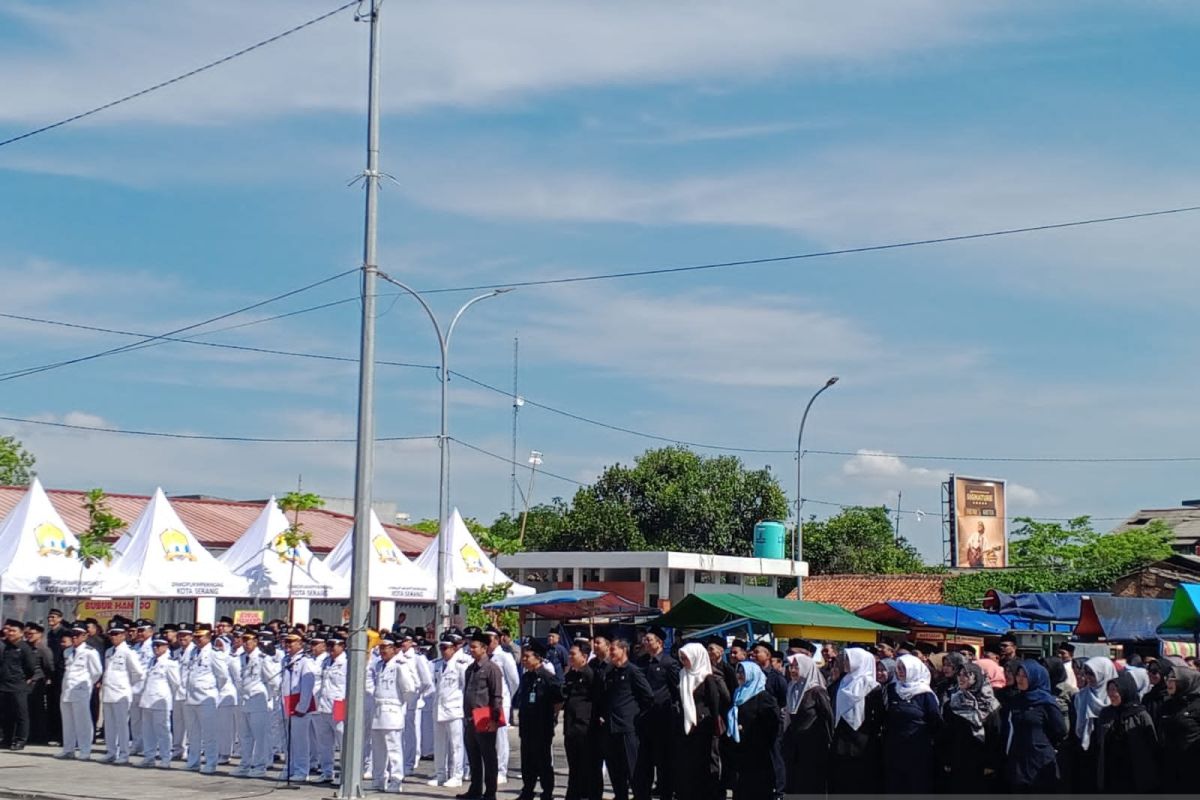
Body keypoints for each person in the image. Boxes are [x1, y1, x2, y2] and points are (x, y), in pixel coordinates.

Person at [674, 642, 729, 800]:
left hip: (704, 727)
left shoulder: (707, 677)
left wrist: (711, 725)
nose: (684, 662)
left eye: (687, 658)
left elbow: (715, 703)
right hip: (686, 727)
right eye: (682, 658)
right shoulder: (683, 675)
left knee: (704, 764)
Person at [1003, 659, 1067, 793]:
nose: (1020, 679)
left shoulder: (1046, 703)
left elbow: (1060, 730)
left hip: (1039, 760)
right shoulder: (1016, 700)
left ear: (1035, 677)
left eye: (1025, 676)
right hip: (1018, 760)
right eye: (1018, 675)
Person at [882, 653, 941, 792]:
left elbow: (935, 721)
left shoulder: (925, 693)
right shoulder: (892, 690)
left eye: (904, 668)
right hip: (894, 748)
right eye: (898, 668)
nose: (900, 672)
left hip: (918, 749)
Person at [603, 639, 653, 800]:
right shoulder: (610, 672)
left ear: (623, 650)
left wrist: (636, 717)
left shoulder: (633, 671)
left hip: (628, 728)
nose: (610, 653)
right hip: (611, 728)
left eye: (613, 650)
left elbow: (648, 697)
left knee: (633, 771)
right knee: (616, 771)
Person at [828, 648, 884, 794]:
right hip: (840, 738)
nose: (845, 663)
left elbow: (878, 716)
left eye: (848, 659)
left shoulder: (872, 686)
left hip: (863, 741)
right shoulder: (841, 682)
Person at [1092, 670, 1158, 792]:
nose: (1111, 694)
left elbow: (1152, 743)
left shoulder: (1140, 715)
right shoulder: (1106, 713)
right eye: (1109, 690)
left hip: (1135, 771)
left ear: (1124, 691)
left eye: (1115, 690)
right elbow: (1099, 740)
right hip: (1111, 771)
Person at [939, 662, 1001, 793]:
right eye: (959, 675)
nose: (961, 678)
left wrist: (991, 763)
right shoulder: (953, 702)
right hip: (958, 758)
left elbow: (994, 735)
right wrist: (947, 759)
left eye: (966, 675)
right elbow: (946, 733)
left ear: (976, 677)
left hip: (980, 760)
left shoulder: (990, 704)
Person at [633, 625, 680, 800]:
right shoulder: (641, 662)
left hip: (663, 718)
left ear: (659, 642)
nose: (645, 642)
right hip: (644, 718)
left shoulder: (669, 663)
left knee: (663, 760)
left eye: (649, 639)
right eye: (644, 639)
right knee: (644, 759)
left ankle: (666, 791)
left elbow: (676, 690)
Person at [367, 632, 416, 793]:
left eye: (386, 647)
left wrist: (400, 706)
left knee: (394, 750)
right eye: (381, 647)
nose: (382, 650)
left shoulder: (400, 664)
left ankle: (396, 780)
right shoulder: (378, 665)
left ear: (395, 649)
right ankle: (378, 779)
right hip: (378, 711)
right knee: (378, 749)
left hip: (392, 710)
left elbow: (408, 689)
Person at [514, 640, 562, 800]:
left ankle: (547, 792)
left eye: (527, 657)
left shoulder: (548, 677)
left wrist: (552, 718)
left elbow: (559, 699)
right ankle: (528, 789)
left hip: (541, 726)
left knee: (543, 760)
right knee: (527, 760)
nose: (524, 660)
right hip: (527, 725)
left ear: (538, 658)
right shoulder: (527, 677)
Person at [725, 661, 780, 800]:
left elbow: (772, 724)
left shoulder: (763, 697)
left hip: (757, 752)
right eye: (738, 672)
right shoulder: (738, 693)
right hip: (741, 751)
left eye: (743, 672)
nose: (740, 675)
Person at [781, 653, 832, 794]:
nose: (792, 670)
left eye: (796, 667)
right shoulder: (792, 688)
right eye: (791, 666)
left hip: (812, 747)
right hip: (794, 745)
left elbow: (827, 717)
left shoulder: (816, 692)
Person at [231, 629, 279, 778]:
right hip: (244, 701)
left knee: (260, 737)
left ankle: (260, 765)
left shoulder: (263, 658)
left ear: (256, 641)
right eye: (243, 640)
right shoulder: (241, 658)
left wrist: (269, 698)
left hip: (258, 701)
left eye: (248, 640)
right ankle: (245, 764)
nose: (245, 643)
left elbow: (274, 681)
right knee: (244, 736)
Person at [463, 630, 504, 800]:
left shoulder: (491, 668)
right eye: (470, 647)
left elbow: (496, 696)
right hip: (471, 718)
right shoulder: (470, 669)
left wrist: (494, 719)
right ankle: (475, 789)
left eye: (474, 647)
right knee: (473, 755)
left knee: (489, 757)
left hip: (485, 717)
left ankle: (490, 791)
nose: (471, 650)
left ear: (484, 648)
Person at [427, 632, 469, 789]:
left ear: (454, 648)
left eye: (446, 648)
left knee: (456, 744)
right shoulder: (437, 664)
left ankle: (456, 775)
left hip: (454, 709)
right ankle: (440, 774)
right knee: (439, 744)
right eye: (441, 647)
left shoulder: (461, 664)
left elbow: (465, 688)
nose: (443, 651)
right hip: (438, 709)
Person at [100, 623, 146, 764]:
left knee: (122, 725)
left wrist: (127, 685)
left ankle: (124, 754)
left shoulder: (128, 652)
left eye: (116, 634)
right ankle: (111, 752)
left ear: (123, 635)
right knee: (109, 725)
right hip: (108, 692)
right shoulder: (108, 651)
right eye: (111, 634)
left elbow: (138, 673)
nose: (113, 637)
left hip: (121, 693)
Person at [563, 640, 603, 800]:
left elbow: (598, 700)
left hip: (586, 729)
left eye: (573, 654)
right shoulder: (571, 675)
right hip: (571, 728)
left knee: (590, 767)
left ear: (584, 656)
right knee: (575, 767)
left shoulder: (591, 675)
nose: (570, 657)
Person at [1072, 656, 1117, 793]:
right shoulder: (1081, 696)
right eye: (1086, 673)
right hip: (1086, 753)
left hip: (1109, 754)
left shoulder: (1115, 698)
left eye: (1092, 673)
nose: (1088, 677)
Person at [57, 623, 101, 760]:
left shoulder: (90, 652)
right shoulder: (68, 651)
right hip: (67, 689)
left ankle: (85, 749)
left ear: (84, 636)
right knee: (68, 721)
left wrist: (87, 685)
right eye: (72, 635)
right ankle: (68, 749)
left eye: (77, 635)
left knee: (83, 721)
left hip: (81, 690)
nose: (74, 638)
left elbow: (97, 672)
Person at [138, 635, 180, 768]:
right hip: (147, 700)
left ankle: (165, 757)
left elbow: (176, 683)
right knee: (148, 731)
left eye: (159, 645)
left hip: (161, 701)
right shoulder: (151, 661)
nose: (155, 648)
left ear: (166, 646)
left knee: (163, 731)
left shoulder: (170, 662)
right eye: (154, 645)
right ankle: (149, 756)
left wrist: (167, 698)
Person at [1156, 665, 1200, 792]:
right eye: (1167, 679)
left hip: (1193, 766)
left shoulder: (1197, 705)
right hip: (1169, 764)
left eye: (1173, 679)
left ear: (1185, 681)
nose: (1168, 683)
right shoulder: (1167, 705)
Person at [485, 625, 520, 786]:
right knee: (487, 738)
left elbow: (514, 681)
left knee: (500, 738)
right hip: (486, 703)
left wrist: (507, 699)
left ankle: (501, 771)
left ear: (497, 640)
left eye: (489, 640)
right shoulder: (485, 657)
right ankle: (490, 769)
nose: (486, 643)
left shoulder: (505, 656)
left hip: (501, 702)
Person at [312, 633, 346, 784]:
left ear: (342, 646)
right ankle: (327, 772)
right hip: (324, 704)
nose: (331, 648)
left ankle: (345, 774)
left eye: (334, 645)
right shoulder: (326, 661)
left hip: (340, 704)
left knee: (342, 741)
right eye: (329, 645)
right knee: (325, 742)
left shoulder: (347, 662)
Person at [0, 619, 36, 751]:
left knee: (21, 715)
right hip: (4, 685)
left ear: (21, 633)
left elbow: (31, 668)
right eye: (9, 631)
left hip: (18, 686)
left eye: (13, 631)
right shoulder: (5, 646)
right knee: (6, 714)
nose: (10, 633)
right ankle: (7, 739)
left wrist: (23, 678)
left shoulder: (24, 648)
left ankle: (20, 740)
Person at [23, 622, 54, 746]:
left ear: (39, 634)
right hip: (26, 683)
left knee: (38, 711)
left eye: (31, 633)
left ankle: (41, 736)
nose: (28, 636)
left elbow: (49, 667)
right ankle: (30, 735)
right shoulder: (26, 647)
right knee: (28, 710)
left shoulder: (43, 649)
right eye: (26, 634)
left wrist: (45, 678)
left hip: (38, 682)